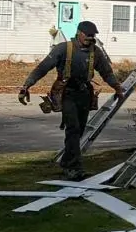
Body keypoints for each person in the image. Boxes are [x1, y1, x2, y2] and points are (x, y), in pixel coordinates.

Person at [19, 21, 125, 180]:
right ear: (79, 33)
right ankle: (74, 168)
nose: (90, 38)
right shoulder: (63, 48)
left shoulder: (95, 52)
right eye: (88, 35)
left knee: (79, 130)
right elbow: (42, 68)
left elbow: (106, 72)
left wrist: (117, 87)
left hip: (84, 94)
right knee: (73, 128)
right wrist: (26, 86)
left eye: (93, 36)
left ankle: (67, 162)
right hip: (66, 93)